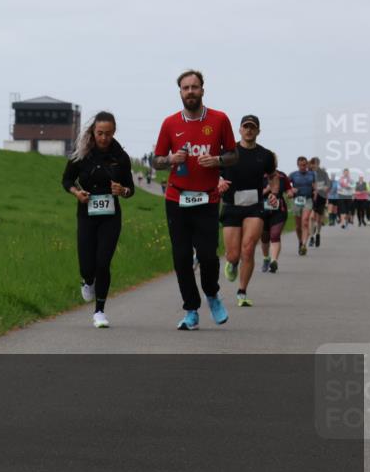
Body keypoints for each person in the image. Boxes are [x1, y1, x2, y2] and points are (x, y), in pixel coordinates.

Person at [153, 70, 238, 330]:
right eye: (185, 88)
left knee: (207, 256)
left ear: (203, 90)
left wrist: (218, 161)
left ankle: (212, 294)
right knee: (181, 257)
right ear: (179, 92)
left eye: (194, 87)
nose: (190, 92)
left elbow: (234, 155)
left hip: (207, 199)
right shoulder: (169, 123)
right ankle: (191, 310)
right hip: (176, 198)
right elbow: (155, 161)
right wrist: (170, 160)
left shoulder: (219, 119)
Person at [61, 111, 135, 328]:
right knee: (87, 264)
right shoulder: (81, 154)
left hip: (111, 217)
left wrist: (123, 190)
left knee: (103, 262)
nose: (104, 138)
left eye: (108, 134)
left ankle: (100, 311)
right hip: (87, 214)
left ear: (114, 133)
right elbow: (66, 180)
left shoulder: (120, 157)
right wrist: (76, 192)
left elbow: (131, 189)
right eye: (100, 133)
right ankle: (87, 279)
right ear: (93, 132)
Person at [217, 115, 276, 306]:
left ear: (258, 131)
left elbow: (273, 176)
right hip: (231, 205)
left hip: (254, 206)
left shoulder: (265, 155)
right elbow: (213, 173)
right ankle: (232, 263)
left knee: (249, 248)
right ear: (240, 130)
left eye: (253, 127)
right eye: (246, 127)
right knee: (233, 254)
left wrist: (273, 192)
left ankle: (242, 292)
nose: (249, 130)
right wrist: (219, 182)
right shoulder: (228, 152)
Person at [260, 156, 290, 274]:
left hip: (279, 210)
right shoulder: (258, 176)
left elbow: (288, 189)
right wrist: (267, 189)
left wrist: (290, 193)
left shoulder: (282, 176)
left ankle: (274, 261)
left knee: (275, 235)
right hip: (262, 211)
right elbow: (255, 194)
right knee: (264, 237)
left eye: (274, 162)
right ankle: (266, 258)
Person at [287, 157, 316, 255]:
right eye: (300, 165)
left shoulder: (312, 174)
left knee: (305, 221)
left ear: (307, 165)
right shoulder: (293, 174)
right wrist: (291, 190)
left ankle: (304, 245)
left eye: (304, 165)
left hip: (308, 199)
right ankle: (300, 241)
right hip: (296, 200)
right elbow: (285, 185)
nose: (303, 167)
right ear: (297, 165)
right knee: (298, 226)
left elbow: (316, 186)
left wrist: (315, 191)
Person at [309, 157, 330, 247]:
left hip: (321, 197)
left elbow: (328, 185)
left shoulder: (323, 173)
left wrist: (321, 188)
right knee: (311, 217)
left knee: (318, 218)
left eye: (316, 163)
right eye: (312, 163)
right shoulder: (309, 173)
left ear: (318, 164)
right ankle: (311, 237)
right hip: (311, 197)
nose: (314, 165)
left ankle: (318, 234)